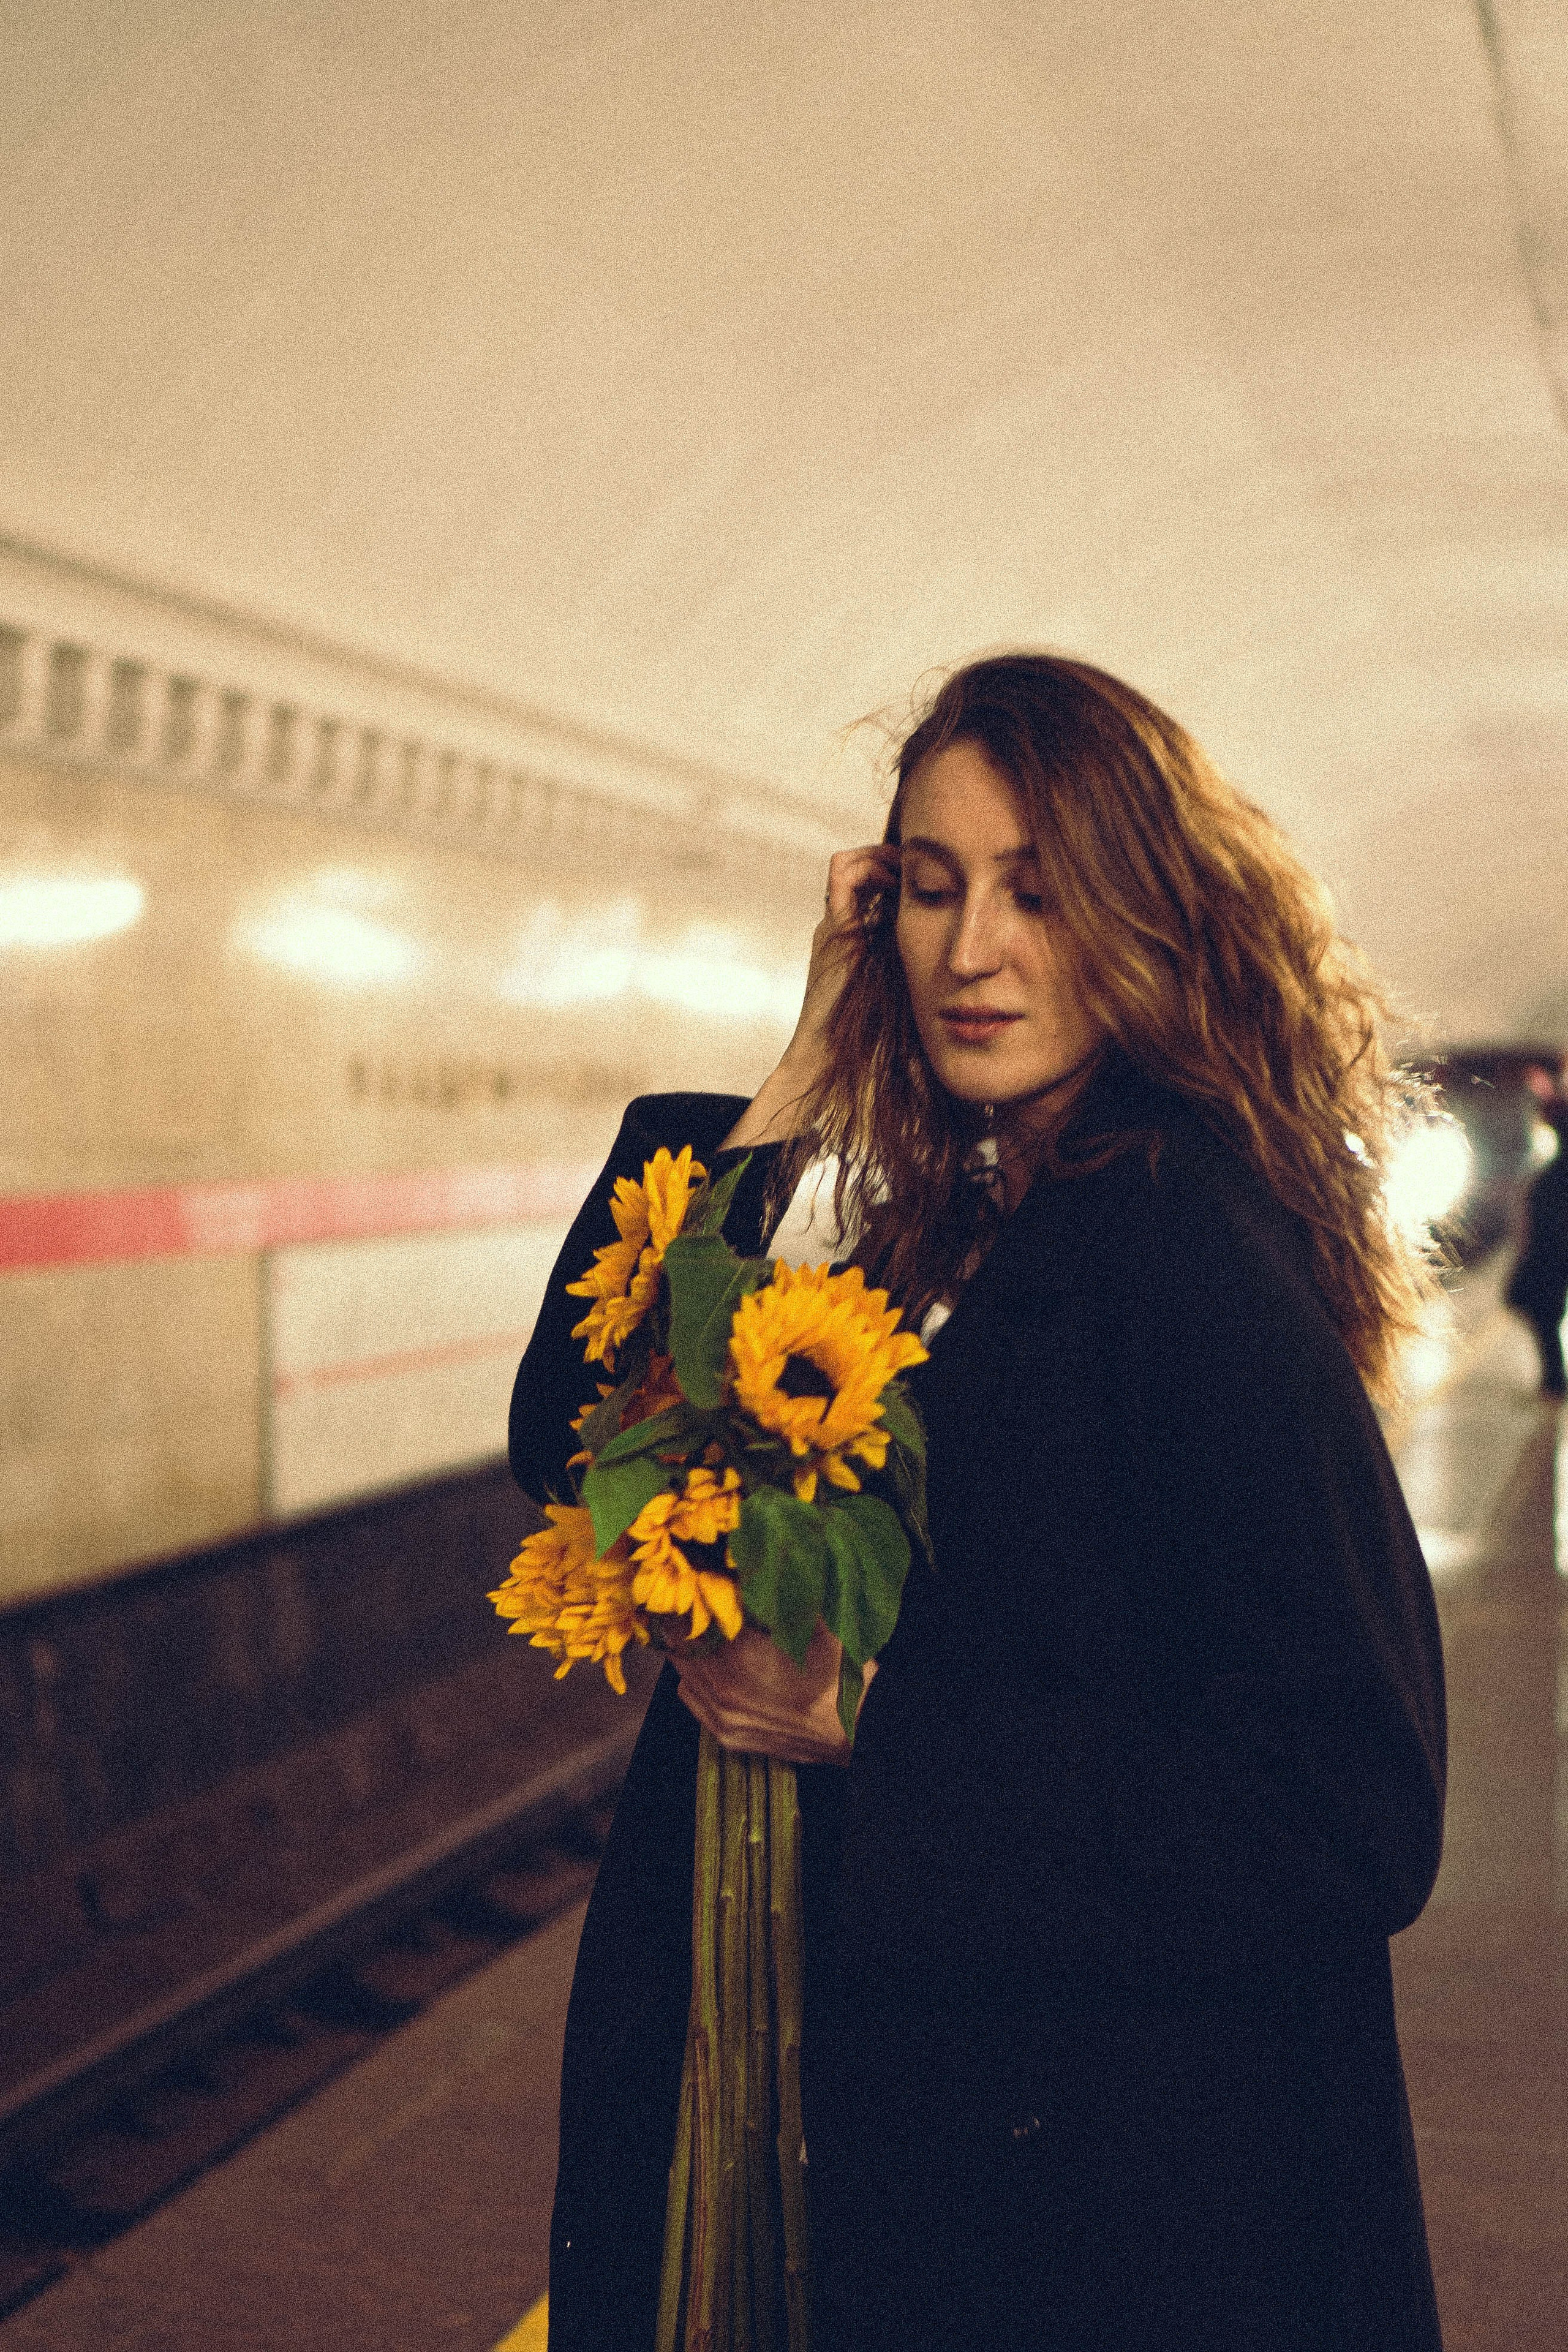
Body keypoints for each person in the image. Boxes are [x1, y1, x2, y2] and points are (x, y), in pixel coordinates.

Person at [510, 654, 1447, 2351]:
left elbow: (1351, 1802)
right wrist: (812, 1049)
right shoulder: (945, 1208)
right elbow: (578, 1436)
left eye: (1037, 890)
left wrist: (870, 1721)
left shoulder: (1183, 1255)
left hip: (1108, 2196)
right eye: (930, 891)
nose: (971, 950)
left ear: (1141, 913)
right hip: (959, 2132)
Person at [1504, 1075, 1568, 1398]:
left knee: (1541, 1310)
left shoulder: (1551, 1180)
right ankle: (1553, 1378)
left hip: (1550, 1251)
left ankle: (1554, 1380)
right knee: (1545, 1311)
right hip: (1552, 1251)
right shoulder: (1550, 1178)